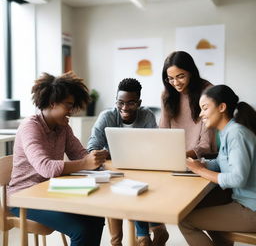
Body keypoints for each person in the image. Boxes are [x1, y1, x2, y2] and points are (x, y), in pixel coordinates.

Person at [7, 71, 108, 246]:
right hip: (23, 197)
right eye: (68, 105)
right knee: (81, 229)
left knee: (96, 215)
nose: (71, 111)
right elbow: (45, 167)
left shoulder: (63, 127)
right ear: (53, 103)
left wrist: (96, 159)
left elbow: (80, 154)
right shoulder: (31, 127)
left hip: (50, 191)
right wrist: (85, 163)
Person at [87, 78, 169, 246]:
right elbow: (92, 147)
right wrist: (109, 154)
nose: (124, 108)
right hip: (115, 172)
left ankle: (144, 236)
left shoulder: (146, 115)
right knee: (116, 190)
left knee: (139, 186)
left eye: (131, 103)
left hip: (142, 171)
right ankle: (130, 238)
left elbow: (154, 148)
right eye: (120, 103)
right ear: (116, 101)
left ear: (139, 102)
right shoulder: (107, 116)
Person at [179, 85, 256, 246]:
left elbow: (237, 178)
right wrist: (201, 164)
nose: (201, 114)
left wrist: (199, 170)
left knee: (184, 220)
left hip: (251, 209)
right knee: (208, 212)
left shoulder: (236, 134)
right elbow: (223, 163)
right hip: (244, 203)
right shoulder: (228, 132)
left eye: (205, 108)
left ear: (222, 107)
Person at [160, 51, 216, 159]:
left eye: (180, 76)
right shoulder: (166, 95)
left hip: (201, 160)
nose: (176, 83)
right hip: (172, 158)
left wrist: (180, 156)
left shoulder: (208, 92)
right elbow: (163, 132)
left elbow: (206, 145)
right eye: (171, 78)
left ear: (190, 72)